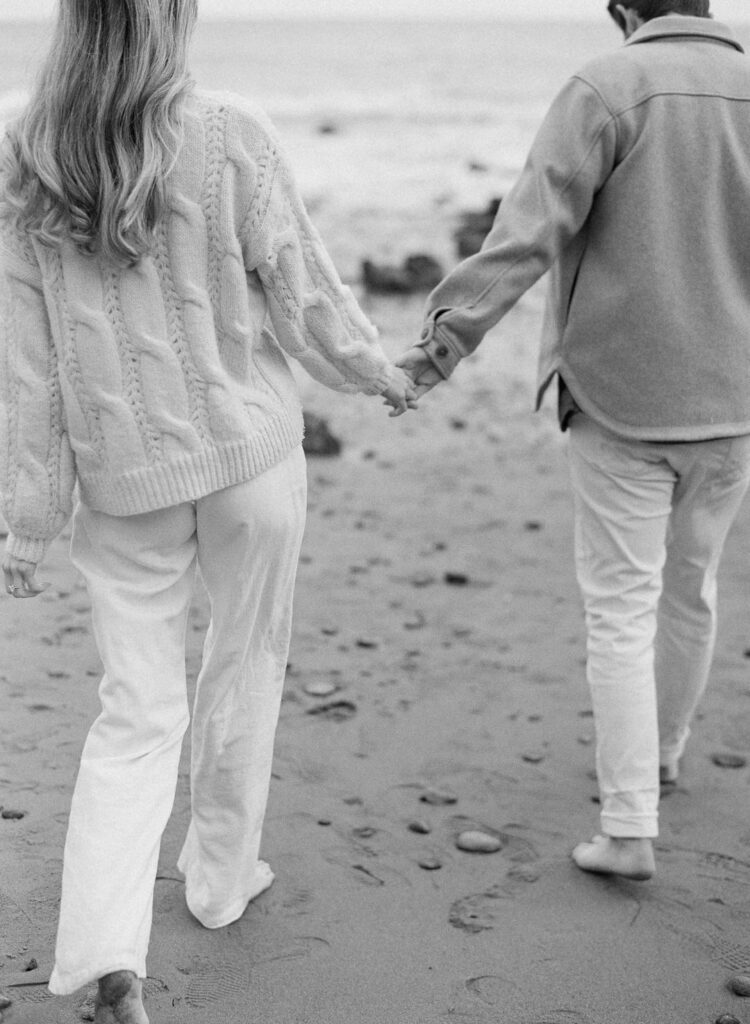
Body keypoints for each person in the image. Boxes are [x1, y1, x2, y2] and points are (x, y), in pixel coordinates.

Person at [0, 2, 416, 1021]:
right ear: (172, 19)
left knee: (135, 713)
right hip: (250, 463)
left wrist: (30, 518)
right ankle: (221, 882)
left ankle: (108, 960)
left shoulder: (21, 150)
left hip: (123, 481)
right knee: (245, 661)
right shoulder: (232, 130)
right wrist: (380, 371)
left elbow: (27, 369)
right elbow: (304, 292)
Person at [399, 0, 750, 883]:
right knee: (691, 590)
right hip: (735, 399)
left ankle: (630, 828)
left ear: (624, 9)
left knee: (622, 608)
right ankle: (663, 756)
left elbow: (527, 233)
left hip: (621, 395)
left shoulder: (607, 85)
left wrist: (443, 343)